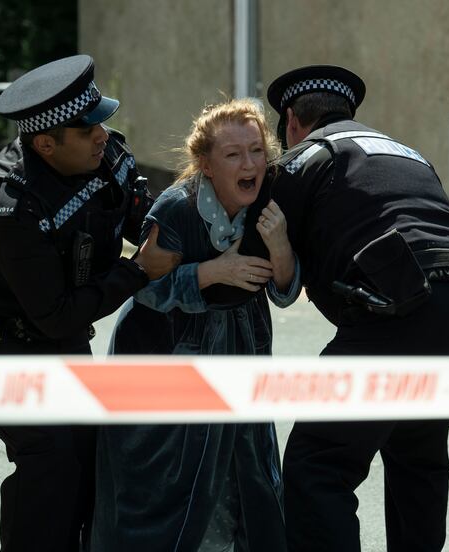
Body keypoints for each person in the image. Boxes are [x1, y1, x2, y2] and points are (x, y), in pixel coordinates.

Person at [0, 55, 180, 552]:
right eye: (87, 129)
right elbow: (55, 313)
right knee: (50, 456)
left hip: (56, 326)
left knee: (91, 450)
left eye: (101, 121)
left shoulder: (107, 156)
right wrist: (138, 271)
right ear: (45, 144)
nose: (102, 135)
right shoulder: (8, 200)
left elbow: (153, 222)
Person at [265, 65, 449, 552]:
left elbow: (254, 245)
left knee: (319, 465)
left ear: (291, 121)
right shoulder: (407, 153)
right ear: (350, 112)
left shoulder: (307, 156)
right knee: (418, 456)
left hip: (399, 309)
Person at [91, 98, 300, 552]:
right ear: (206, 165)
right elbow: (145, 287)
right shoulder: (176, 209)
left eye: (257, 150)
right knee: (167, 494)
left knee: (245, 488)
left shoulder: (270, 201)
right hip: (167, 363)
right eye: (233, 154)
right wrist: (213, 272)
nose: (250, 164)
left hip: (241, 358)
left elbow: (284, 291)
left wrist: (280, 245)